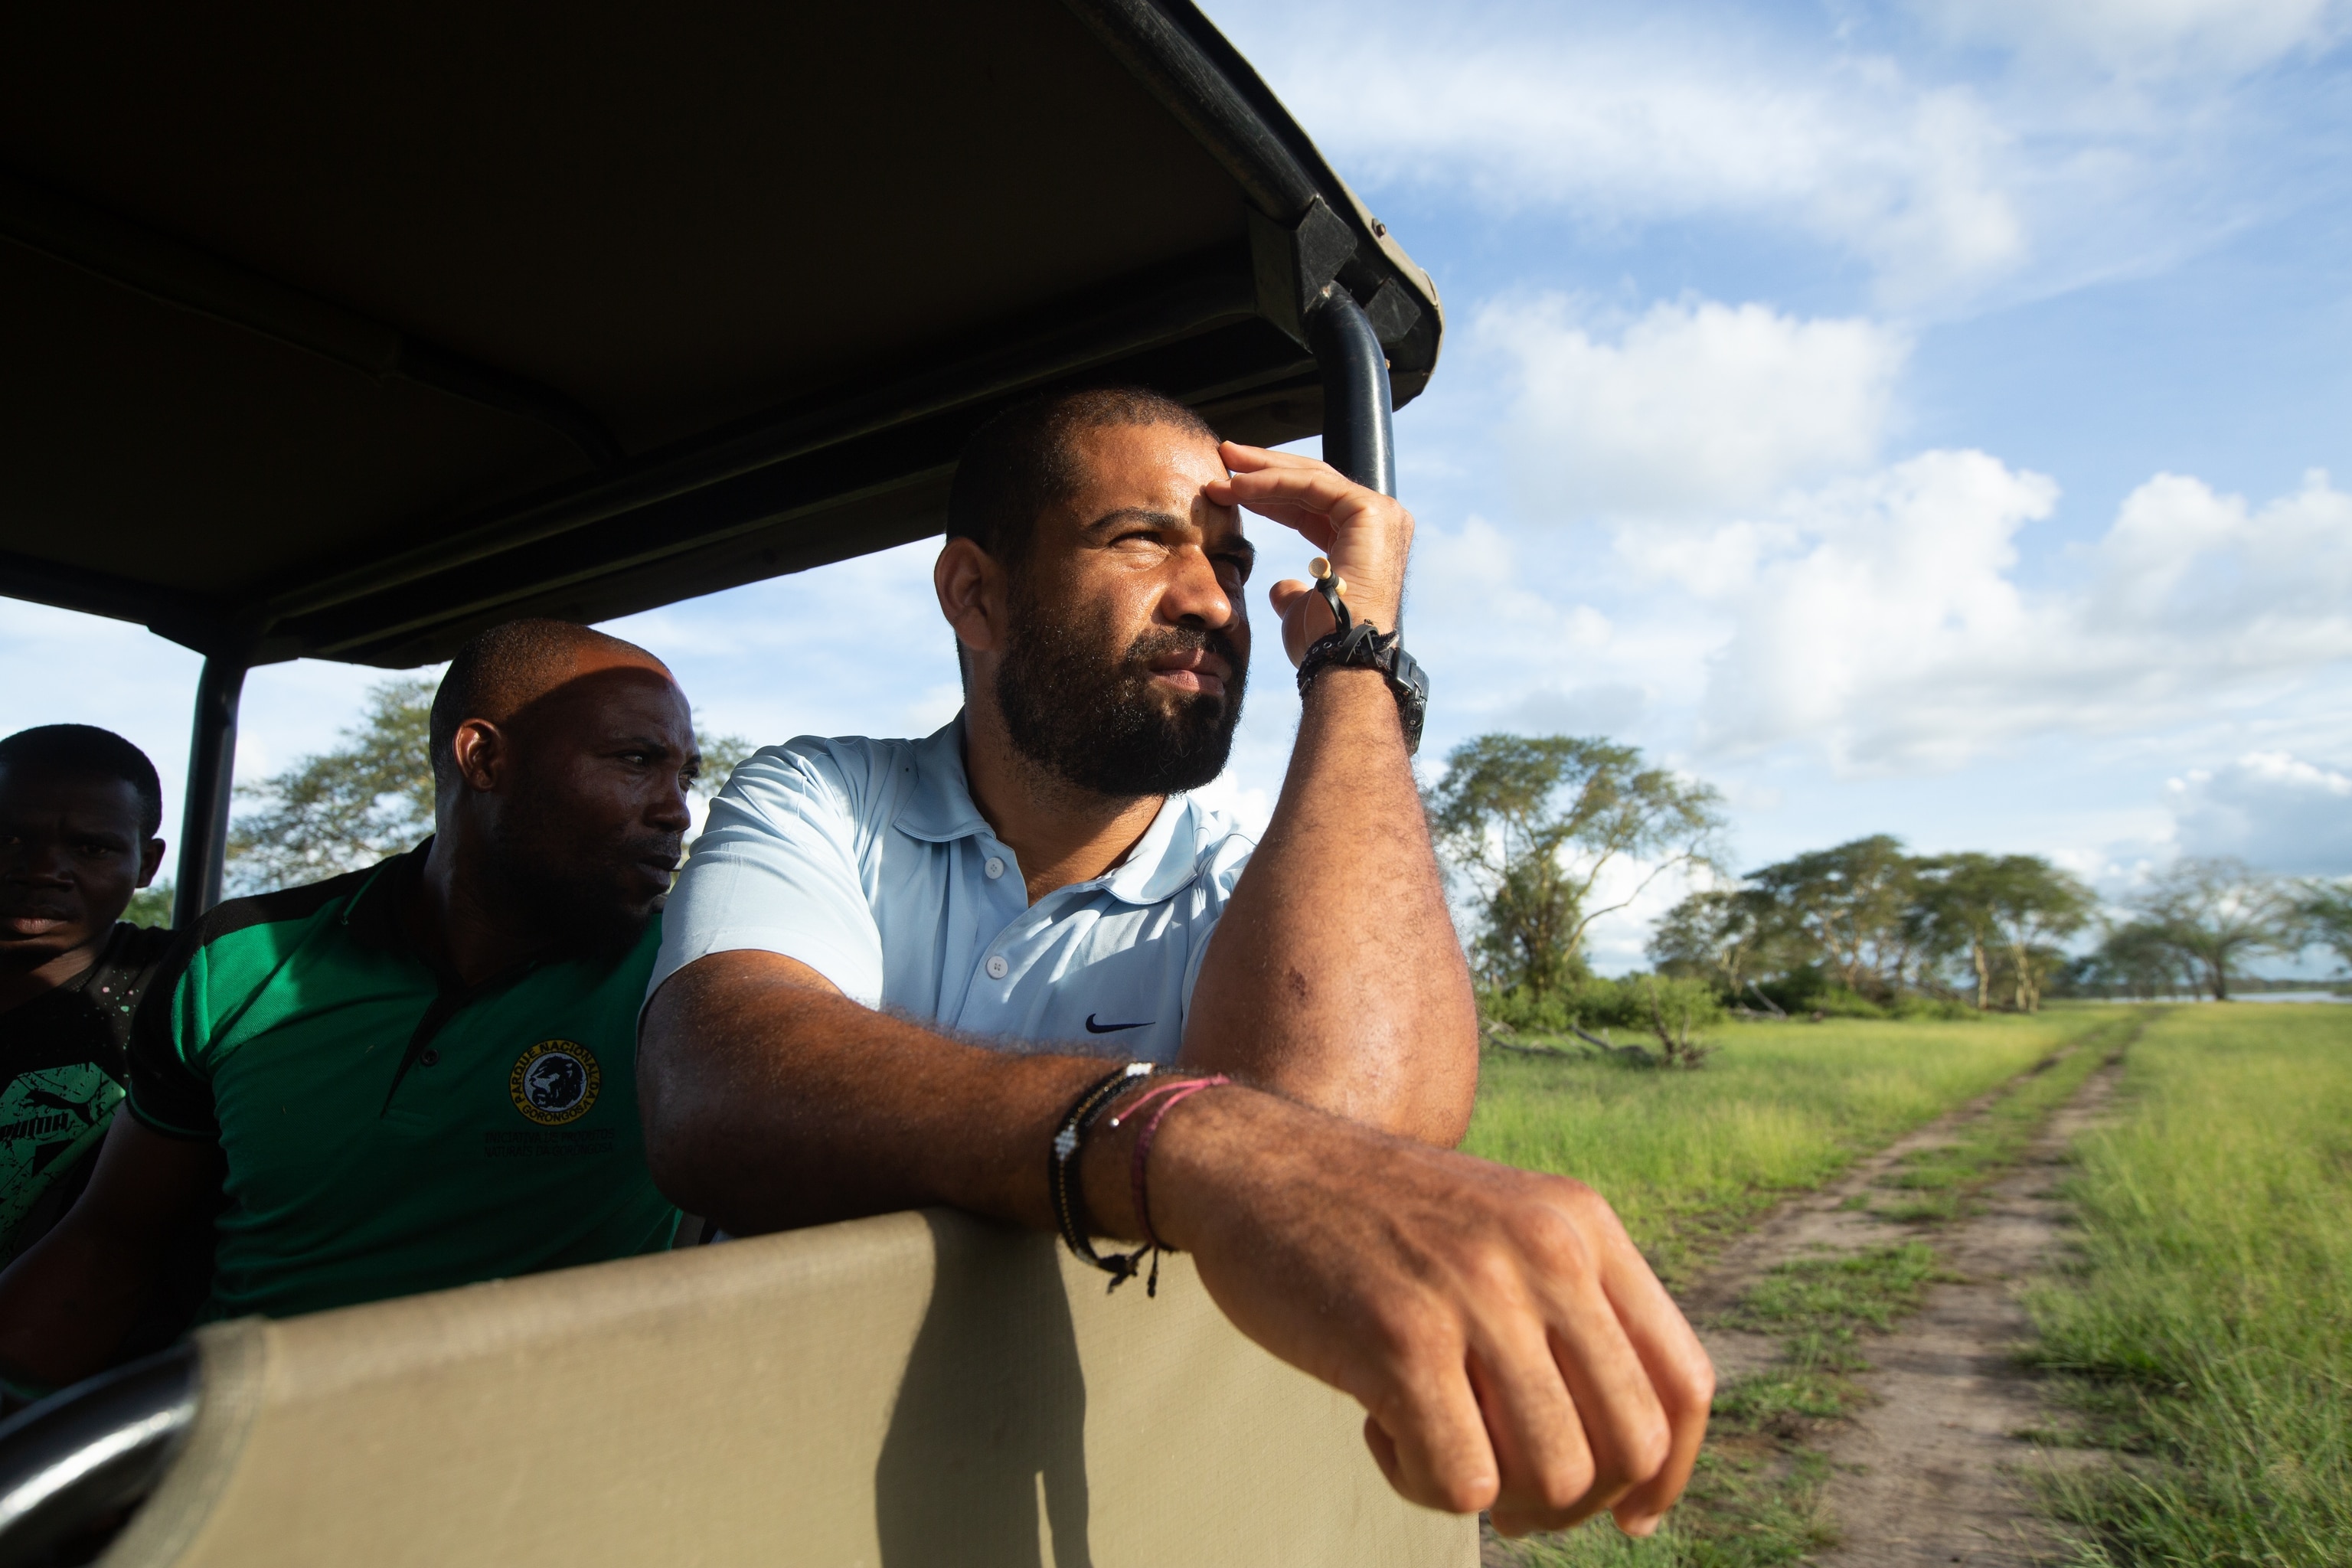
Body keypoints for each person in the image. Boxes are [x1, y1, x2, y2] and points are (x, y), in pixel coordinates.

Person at [639, 388, 1714, 1539]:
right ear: (975, 593)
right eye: (1142, 539)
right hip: (756, 1480)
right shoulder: (824, 797)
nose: (1213, 599)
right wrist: (1176, 1133)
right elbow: (715, 1078)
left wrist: (1357, 657)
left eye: (1234, 563)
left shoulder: (1260, 893)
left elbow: (1343, 1136)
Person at [0, 622, 694, 1397]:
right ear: (483, 757)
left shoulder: (688, 973)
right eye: (637, 761)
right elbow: (110, 1247)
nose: (677, 812)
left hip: (548, 1441)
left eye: (685, 776)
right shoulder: (237, 960)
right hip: (245, 1433)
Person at [0, 727, 174, 1264]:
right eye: (8, 839)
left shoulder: (186, 988)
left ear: (146, 865)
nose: (42, 872)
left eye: (91, 848)